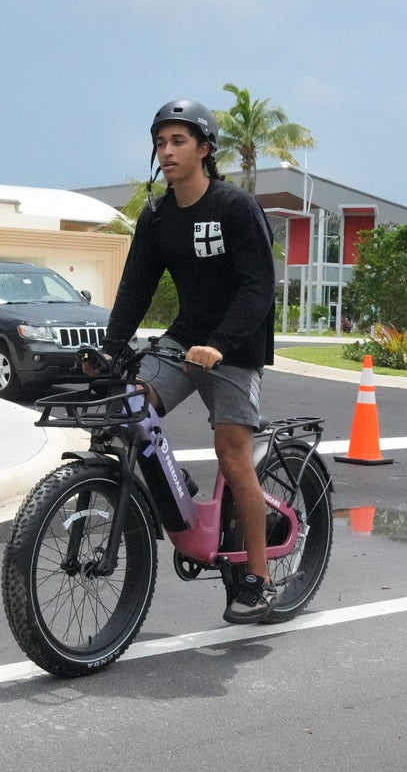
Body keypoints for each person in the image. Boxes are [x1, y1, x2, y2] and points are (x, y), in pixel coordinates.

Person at [96, 99, 278, 625]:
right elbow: (135, 288)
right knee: (128, 406)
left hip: (235, 348)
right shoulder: (157, 216)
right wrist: (110, 346)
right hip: (184, 340)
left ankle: (259, 580)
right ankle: (175, 482)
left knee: (231, 450)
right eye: (160, 142)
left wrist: (221, 343)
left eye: (178, 141)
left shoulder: (234, 207)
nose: (167, 151)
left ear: (204, 149)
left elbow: (258, 286)